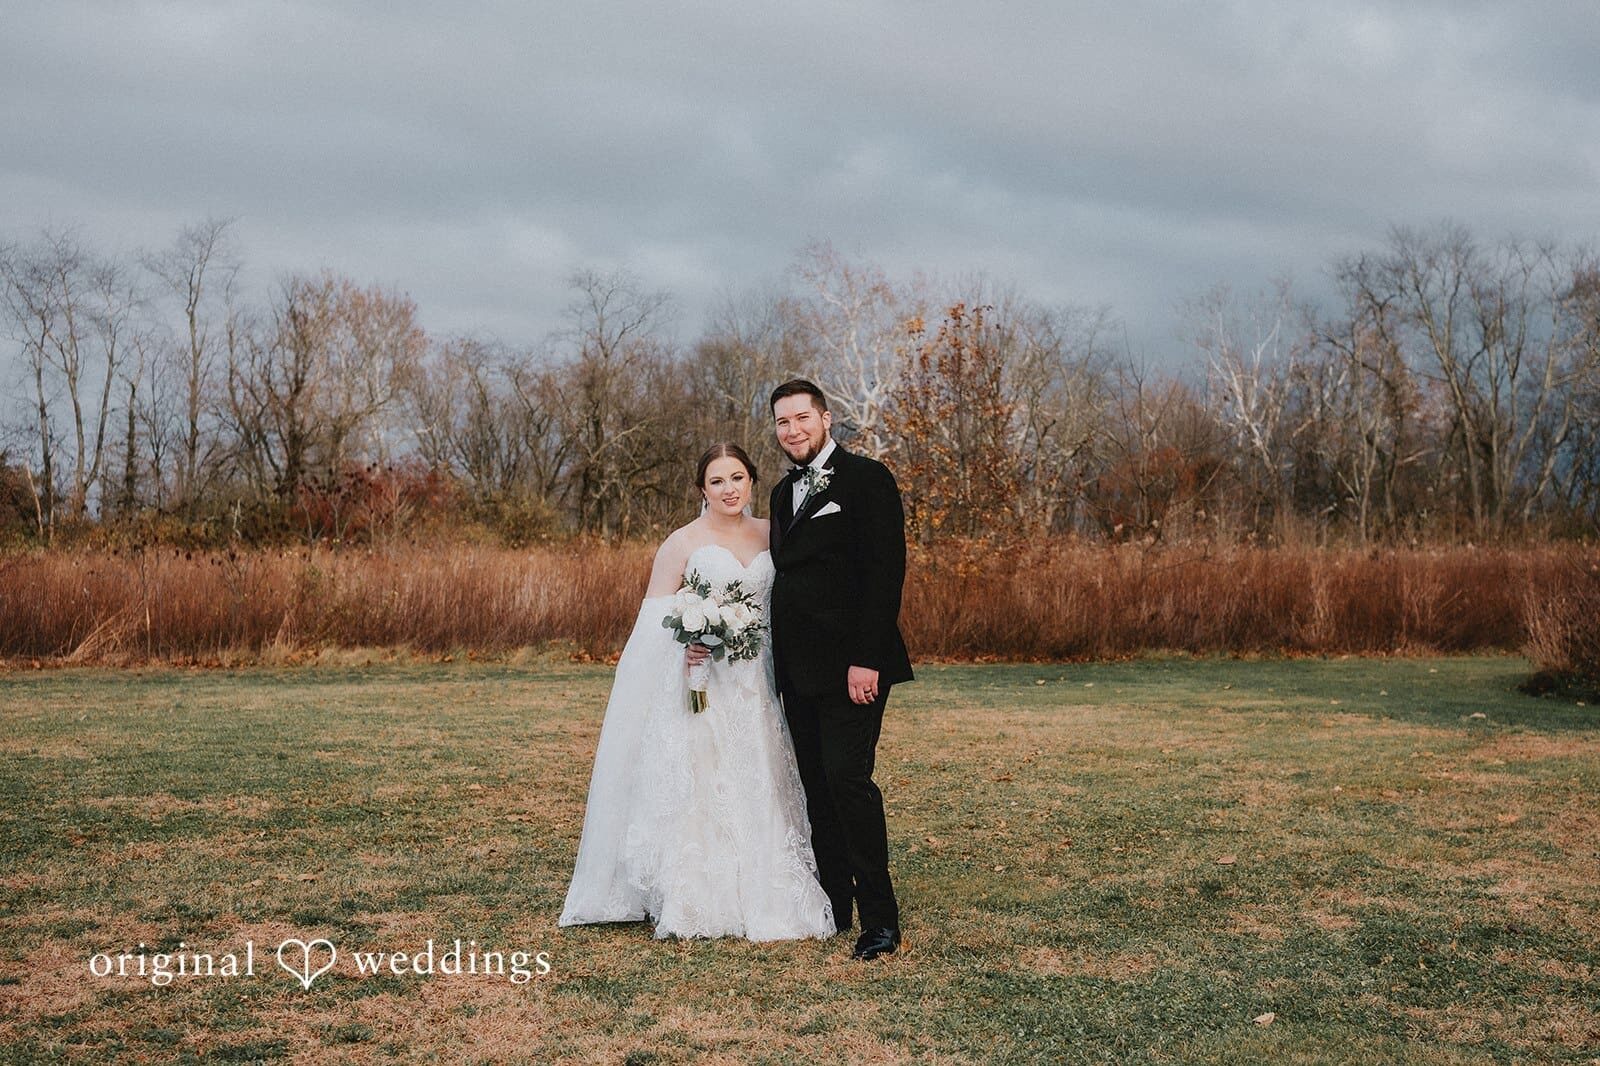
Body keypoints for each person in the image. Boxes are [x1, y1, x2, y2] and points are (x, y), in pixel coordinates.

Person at [558, 443, 835, 941]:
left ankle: (769, 888)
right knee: (707, 778)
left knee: (762, 771)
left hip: (760, 680)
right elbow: (652, 623)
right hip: (707, 682)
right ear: (702, 489)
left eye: (737, 478)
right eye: (717, 481)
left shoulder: (772, 532)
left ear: (752, 481)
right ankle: (703, 894)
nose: (729, 489)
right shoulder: (682, 541)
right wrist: (686, 645)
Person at [766, 379, 914, 961]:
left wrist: (867, 659)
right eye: (783, 422)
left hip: (854, 667)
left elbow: (885, 574)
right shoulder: (782, 493)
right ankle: (834, 903)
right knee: (816, 788)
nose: (793, 430)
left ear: (826, 419)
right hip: (797, 670)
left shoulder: (867, 479)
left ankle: (880, 919)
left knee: (848, 780)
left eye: (802, 418)